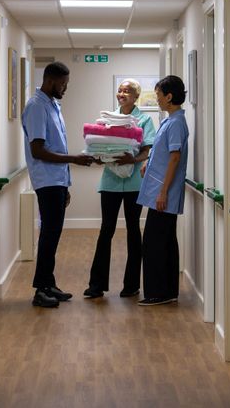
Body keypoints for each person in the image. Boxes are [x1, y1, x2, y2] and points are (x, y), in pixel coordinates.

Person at [22, 61, 94, 308]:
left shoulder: (53, 105)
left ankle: (48, 283)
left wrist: (67, 184)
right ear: (51, 81)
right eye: (63, 84)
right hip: (46, 181)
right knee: (48, 236)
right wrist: (74, 159)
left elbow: (57, 145)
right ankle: (40, 290)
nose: (65, 89)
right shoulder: (36, 107)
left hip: (57, 181)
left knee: (53, 236)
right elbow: (38, 150)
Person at [83, 79, 157, 299]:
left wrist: (133, 159)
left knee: (134, 231)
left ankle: (132, 285)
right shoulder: (108, 119)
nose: (122, 94)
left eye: (127, 91)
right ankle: (96, 285)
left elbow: (148, 150)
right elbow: (100, 144)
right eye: (120, 90)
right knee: (106, 230)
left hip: (134, 183)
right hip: (110, 182)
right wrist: (99, 156)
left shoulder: (144, 120)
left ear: (136, 97)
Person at [136, 75, 189, 306]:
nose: (157, 100)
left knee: (154, 244)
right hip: (161, 192)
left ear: (169, 96)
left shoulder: (176, 122)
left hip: (164, 195)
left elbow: (175, 157)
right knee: (165, 242)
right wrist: (148, 162)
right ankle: (167, 291)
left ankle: (158, 292)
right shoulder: (171, 120)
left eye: (158, 96)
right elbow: (165, 152)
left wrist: (163, 192)